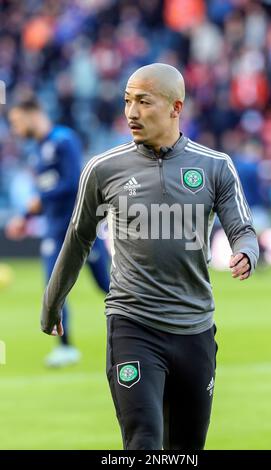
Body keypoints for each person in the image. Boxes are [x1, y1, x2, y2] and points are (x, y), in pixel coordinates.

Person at [41, 63, 259, 449]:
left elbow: (243, 229)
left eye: (144, 101)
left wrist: (245, 252)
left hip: (195, 329)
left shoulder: (215, 166)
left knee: (186, 449)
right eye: (127, 101)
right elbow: (78, 240)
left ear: (176, 107)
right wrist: (52, 302)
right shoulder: (103, 169)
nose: (131, 112)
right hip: (133, 324)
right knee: (143, 440)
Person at [6, 97, 110, 367]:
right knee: (53, 289)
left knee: (107, 286)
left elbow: (74, 182)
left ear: (33, 113)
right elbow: (47, 194)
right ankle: (65, 348)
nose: (15, 130)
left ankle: (148, 323)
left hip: (79, 228)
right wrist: (28, 215)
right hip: (54, 231)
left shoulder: (64, 140)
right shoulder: (37, 150)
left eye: (17, 122)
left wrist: (39, 200)